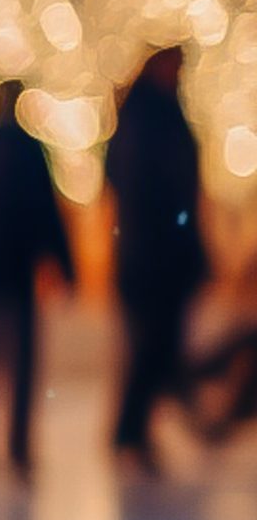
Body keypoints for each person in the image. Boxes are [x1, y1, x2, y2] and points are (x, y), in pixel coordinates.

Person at [0, 87, 72, 477]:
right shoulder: (26, 153)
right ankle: (15, 448)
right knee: (19, 362)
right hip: (12, 273)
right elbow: (46, 212)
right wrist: (64, 266)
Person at [105, 47, 206, 474]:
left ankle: (136, 430)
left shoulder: (151, 114)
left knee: (154, 347)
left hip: (156, 256)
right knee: (152, 348)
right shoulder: (150, 118)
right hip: (153, 258)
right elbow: (158, 189)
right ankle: (131, 432)